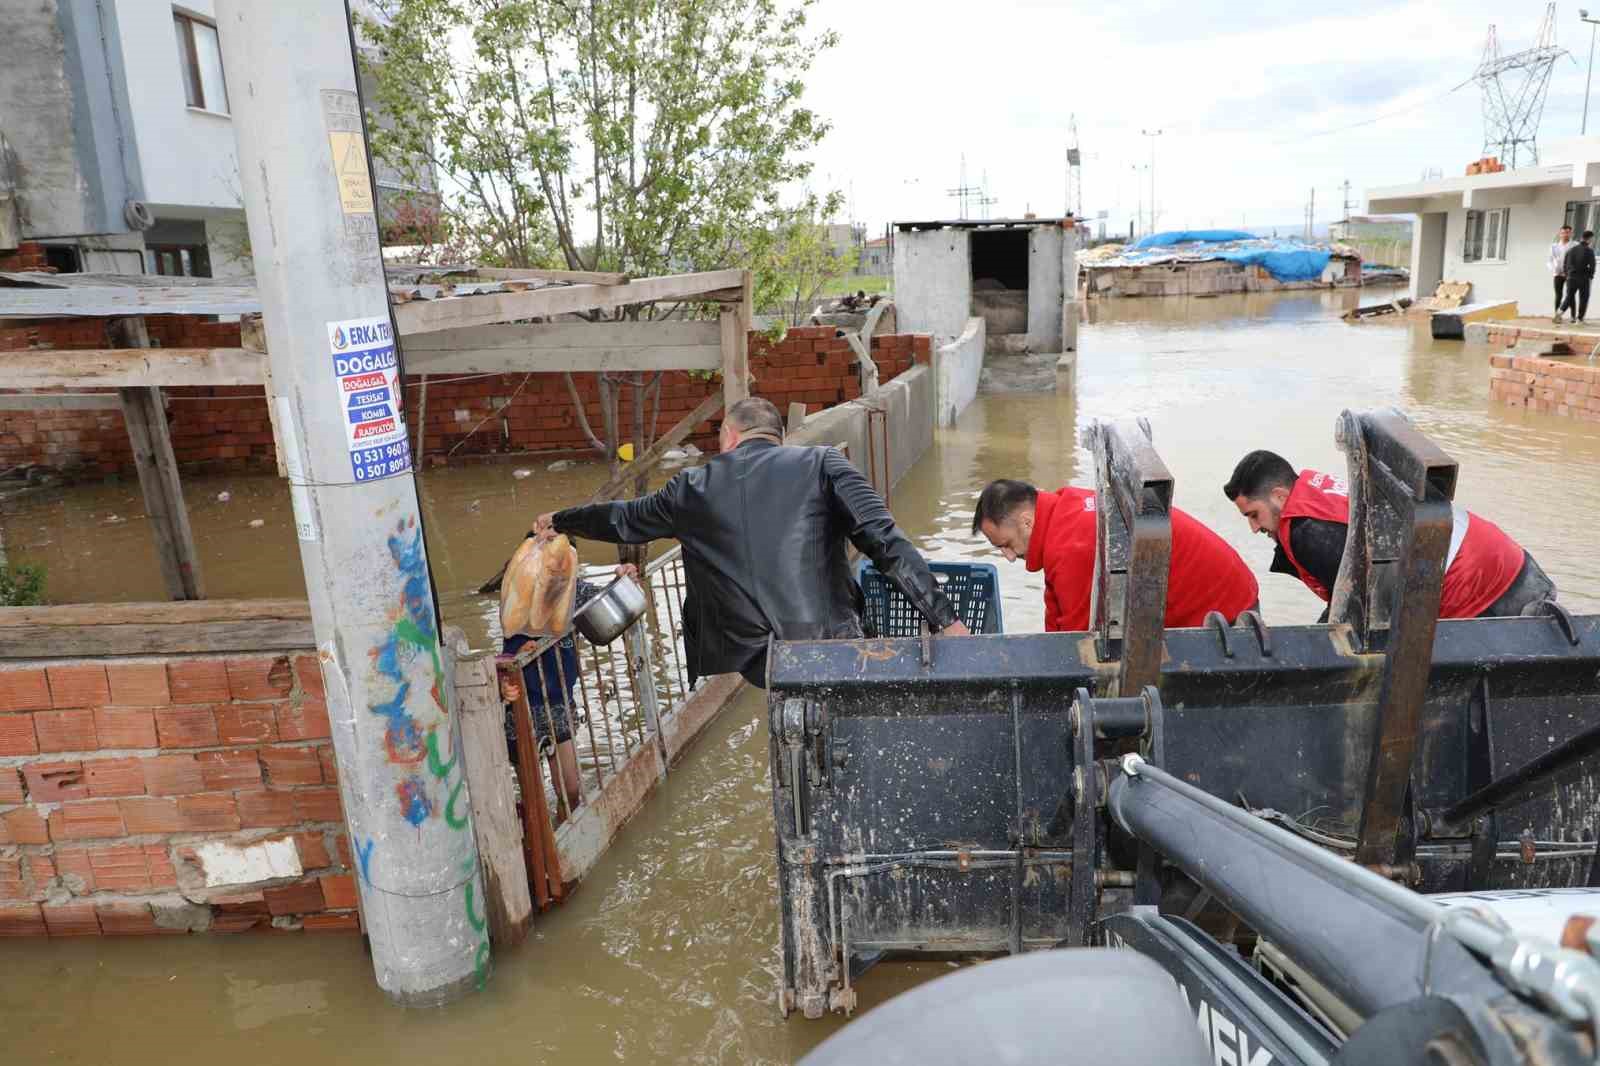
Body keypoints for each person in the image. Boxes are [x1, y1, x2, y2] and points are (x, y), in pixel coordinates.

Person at [533, 397, 968, 688]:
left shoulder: (691, 487)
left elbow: (622, 519)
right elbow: (884, 540)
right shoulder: (822, 462)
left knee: (792, 735)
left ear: (730, 435)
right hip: (830, 643)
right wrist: (944, 618)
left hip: (757, 659)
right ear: (778, 437)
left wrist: (561, 519)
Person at [1223, 450, 1556, 620]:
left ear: (1280, 496)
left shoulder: (1306, 532)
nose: (1254, 528)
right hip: (1508, 559)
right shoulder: (1316, 490)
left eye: (1254, 515)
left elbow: (1360, 607)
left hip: (1480, 588)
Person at [970, 479, 1259, 632]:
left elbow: (1078, 639)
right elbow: (1057, 604)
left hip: (1227, 613)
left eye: (1006, 544)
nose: (1009, 556)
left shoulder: (1070, 547)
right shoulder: (1064, 506)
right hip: (1229, 586)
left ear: (1026, 522)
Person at [499, 559, 636, 814]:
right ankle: (538, 832)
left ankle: (565, 824)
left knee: (571, 788)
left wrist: (623, 577)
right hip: (522, 709)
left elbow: (605, 598)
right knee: (533, 796)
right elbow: (501, 662)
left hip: (559, 702)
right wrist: (512, 663)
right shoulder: (515, 601)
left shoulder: (571, 590)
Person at [1560, 230, 1597, 325]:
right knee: (1584, 298)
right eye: (1592, 239)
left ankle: (1559, 313)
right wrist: (1590, 276)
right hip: (1583, 278)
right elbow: (1592, 266)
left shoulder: (1571, 250)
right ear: (1590, 239)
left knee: (1569, 297)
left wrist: (1567, 275)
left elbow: (1565, 264)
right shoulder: (1589, 251)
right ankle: (1580, 319)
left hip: (1571, 277)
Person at [1550, 224, 1576, 323]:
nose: (1565, 235)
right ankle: (1557, 316)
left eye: (1568, 233)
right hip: (1558, 274)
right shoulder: (1554, 246)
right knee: (1558, 295)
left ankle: (1573, 317)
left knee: (1570, 295)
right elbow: (1550, 261)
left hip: (1570, 274)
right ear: (1560, 234)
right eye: (1563, 233)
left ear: (1571, 233)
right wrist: (1555, 270)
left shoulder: (1575, 245)